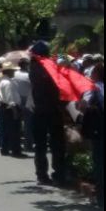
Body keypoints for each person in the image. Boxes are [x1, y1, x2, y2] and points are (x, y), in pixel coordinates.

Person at [28, 41, 67, 186]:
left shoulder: (33, 68)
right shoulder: (52, 67)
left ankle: (42, 175)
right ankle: (59, 174)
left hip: (38, 110)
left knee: (40, 145)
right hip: (53, 109)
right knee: (57, 144)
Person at [78, 63, 104, 208]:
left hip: (99, 131)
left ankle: (101, 198)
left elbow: (82, 106)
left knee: (99, 164)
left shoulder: (92, 88)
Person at [0, 61, 26, 157]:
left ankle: (5, 148)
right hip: (10, 108)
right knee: (14, 130)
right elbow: (11, 99)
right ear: (8, 71)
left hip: (6, 107)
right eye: (12, 70)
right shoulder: (7, 83)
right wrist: (15, 111)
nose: (14, 72)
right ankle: (15, 151)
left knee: (7, 129)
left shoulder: (3, 81)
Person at [12, 57, 33, 151]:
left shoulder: (14, 74)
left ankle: (16, 144)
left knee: (16, 123)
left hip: (16, 99)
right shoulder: (29, 75)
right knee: (28, 124)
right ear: (25, 65)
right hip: (27, 100)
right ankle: (28, 145)